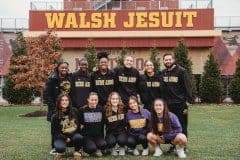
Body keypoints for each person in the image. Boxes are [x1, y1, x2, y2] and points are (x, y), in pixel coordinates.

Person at [161, 53, 192, 153]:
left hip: (180, 104)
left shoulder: (181, 71)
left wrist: (187, 101)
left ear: (173, 60)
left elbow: (188, 87)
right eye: (166, 60)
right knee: (170, 126)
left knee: (182, 126)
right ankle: (173, 146)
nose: (168, 61)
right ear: (163, 61)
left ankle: (183, 146)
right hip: (168, 105)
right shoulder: (163, 73)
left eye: (169, 59)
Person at [43, 61, 74, 155]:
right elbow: (47, 95)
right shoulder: (52, 79)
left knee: (65, 126)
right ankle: (54, 147)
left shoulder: (70, 78)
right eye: (62, 67)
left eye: (65, 68)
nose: (64, 69)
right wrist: (54, 108)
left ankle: (64, 144)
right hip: (55, 108)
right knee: (56, 127)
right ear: (58, 68)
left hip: (66, 106)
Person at [51, 94, 83, 160]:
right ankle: (61, 151)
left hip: (73, 136)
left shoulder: (75, 111)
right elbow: (54, 132)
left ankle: (77, 151)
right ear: (59, 102)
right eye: (62, 100)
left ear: (69, 102)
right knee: (60, 148)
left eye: (66, 100)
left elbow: (78, 127)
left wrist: (71, 136)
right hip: (61, 137)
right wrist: (65, 138)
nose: (64, 102)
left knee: (79, 137)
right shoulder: (55, 116)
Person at [78, 92, 107, 157]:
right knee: (91, 148)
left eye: (95, 100)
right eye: (92, 100)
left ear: (98, 100)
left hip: (98, 136)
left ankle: (97, 148)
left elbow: (102, 125)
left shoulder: (101, 109)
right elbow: (80, 125)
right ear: (88, 99)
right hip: (87, 136)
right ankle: (85, 148)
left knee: (104, 144)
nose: (94, 102)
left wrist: (102, 136)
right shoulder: (82, 110)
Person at [104, 92, 127, 156]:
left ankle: (122, 147)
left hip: (121, 131)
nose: (115, 100)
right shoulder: (105, 109)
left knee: (122, 141)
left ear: (119, 100)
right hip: (110, 132)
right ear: (110, 100)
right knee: (111, 142)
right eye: (113, 99)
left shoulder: (123, 108)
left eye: (116, 99)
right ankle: (112, 148)